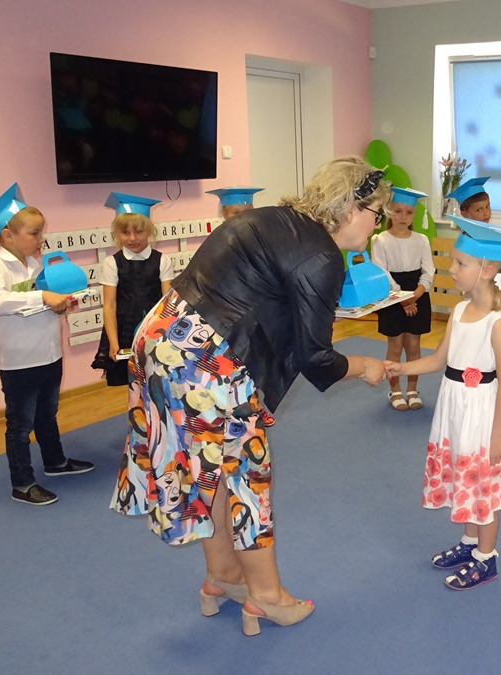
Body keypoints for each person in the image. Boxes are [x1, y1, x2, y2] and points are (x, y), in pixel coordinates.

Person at [109, 157, 389, 635]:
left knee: (211, 469)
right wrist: (365, 366)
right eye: (375, 213)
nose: (376, 224)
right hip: (206, 359)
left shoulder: (271, 217)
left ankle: (222, 576)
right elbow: (316, 357)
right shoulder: (322, 256)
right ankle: (266, 596)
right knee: (246, 473)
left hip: (161, 335)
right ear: (350, 210)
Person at [384, 215, 501, 590]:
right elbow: (438, 360)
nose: (452, 269)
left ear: (487, 270)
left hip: (481, 416)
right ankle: (469, 542)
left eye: (460, 263)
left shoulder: (498, 322)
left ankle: (486, 558)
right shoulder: (460, 311)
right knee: (465, 480)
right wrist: (400, 368)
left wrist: (497, 437)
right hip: (455, 411)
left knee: (484, 489)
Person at [0, 183, 93, 506]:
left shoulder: (36, 264)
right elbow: (0, 301)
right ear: (8, 236)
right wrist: (42, 297)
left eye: (41, 233)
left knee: (47, 413)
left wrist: (61, 305)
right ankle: (22, 483)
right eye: (35, 234)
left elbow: (48, 302)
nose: (41, 240)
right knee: (20, 423)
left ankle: (55, 461)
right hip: (19, 360)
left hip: (49, 353)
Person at [207, 186, 276, 428]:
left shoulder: (262, 243)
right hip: (225, 314)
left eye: (248, 212)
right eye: (235, 213)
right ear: (223, 214)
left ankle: (256, 406)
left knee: (254, 362)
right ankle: (223, 409)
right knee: (228, 366)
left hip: (255, 312)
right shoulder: (214, 246)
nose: (243, 218)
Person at [91, 192, 174, 386]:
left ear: (150, 231)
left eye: (139, 232)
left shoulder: (162, 260)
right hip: (124, 329)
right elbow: (109, 305)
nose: (132, 238)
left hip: (153, 326)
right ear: (116, 234)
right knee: (130, 379)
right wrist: (113, 341)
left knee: (155, 376)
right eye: (125, 233)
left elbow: (168, 302)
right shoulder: (112, 263)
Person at [371, 186, 435, 410]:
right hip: (392, 296)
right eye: (398, 211)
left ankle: (412, 390)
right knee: (396, 345)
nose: (403, 217)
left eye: (409, 212)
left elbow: (428, 271)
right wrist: (403, 299)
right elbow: (381, 271)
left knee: (414, 346)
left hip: (418, 294)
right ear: (389, 211)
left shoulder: (421, 240)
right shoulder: (380, 240)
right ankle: (395, 389)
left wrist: (415, 295)